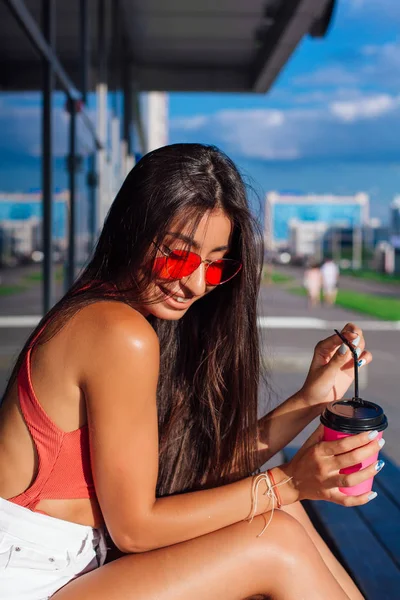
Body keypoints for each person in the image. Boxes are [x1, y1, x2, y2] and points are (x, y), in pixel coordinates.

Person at [0, 144, 379, 600]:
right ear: (131, 230)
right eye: (178, 257)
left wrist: (309, 401)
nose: (197, 283)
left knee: (282, 518)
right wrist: (291, 482)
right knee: (277, 541)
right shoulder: (117, 332)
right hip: (29, 580)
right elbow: (137, 530)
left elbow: (190, 480)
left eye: (216, 264)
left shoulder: (120, 318)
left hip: (71, 567)